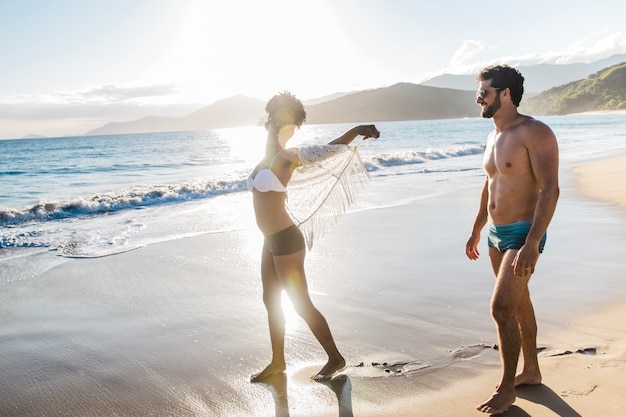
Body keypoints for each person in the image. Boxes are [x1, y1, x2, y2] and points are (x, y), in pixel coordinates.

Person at [248, 91, 380, 382]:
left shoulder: (287, 156)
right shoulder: (263, 160)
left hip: (285, 239)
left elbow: (327, 150)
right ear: (266, 122)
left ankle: (335, 357)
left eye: (286, 123)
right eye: (274, 119)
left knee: (299, 302)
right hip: (269, 240)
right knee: (270, 299)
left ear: (294, 129)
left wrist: (356, 130)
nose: (277, 126)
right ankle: (277, 362)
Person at [465, 65, 560, 415]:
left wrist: (533, 242)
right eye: (479, 91)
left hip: (523, 232)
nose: (479, 97)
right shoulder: (492, 136)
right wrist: (477, 227)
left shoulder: (534, 131)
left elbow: (551, 188)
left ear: (506, 94)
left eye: (485, 91)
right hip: (495, 233)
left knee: (500, 308)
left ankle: (507, 389)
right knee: (518, 303)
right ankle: (531, 370)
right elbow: (490, 184)